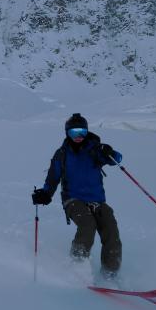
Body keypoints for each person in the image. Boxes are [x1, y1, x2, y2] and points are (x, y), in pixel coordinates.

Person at [32, 113, 124, 280]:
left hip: (97, 200)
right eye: (74, 132)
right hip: (73, 200)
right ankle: (77, 266)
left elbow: (117, 159)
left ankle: (110, 274)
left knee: (111, 229)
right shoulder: (62, 154)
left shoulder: (95, 150)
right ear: (67, 133)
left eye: (82, 131)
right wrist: (45, 194)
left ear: (87, 131)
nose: (78, 136)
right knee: (87, 225)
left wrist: (109, 151)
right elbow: (53, 178)